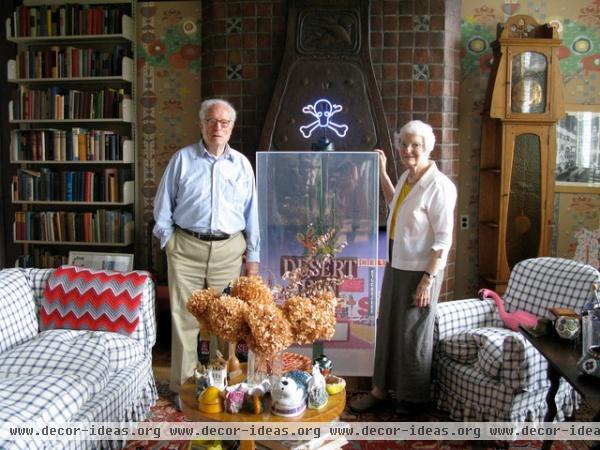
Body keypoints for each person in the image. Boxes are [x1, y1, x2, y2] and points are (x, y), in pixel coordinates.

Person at [153, 98, 260, 407]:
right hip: (185, 248)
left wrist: (253, 257)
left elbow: (252, 214)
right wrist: (169, 243)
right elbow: (163, 208)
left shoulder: (241, 165)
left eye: (224, 122)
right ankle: (185, 388)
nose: (218, 127)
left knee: (226, 322)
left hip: (229, 251)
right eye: (212, 121)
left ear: (232, 128)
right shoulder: (182, 160)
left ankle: (226, 385)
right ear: (201, 124)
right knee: (185, 319)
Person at [349, 120, 457, 414]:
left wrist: (427, 281)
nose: (408, 150)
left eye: (416, 145)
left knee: (413, 333)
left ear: (428, 148)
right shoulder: (406, 180)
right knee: (388, 327)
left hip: (421, 270)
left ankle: (413, 398)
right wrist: (383, 173)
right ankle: (380, 390)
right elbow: (391, 202)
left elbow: (444, 240)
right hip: (397, 262)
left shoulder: (439, 186)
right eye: (404, 145)